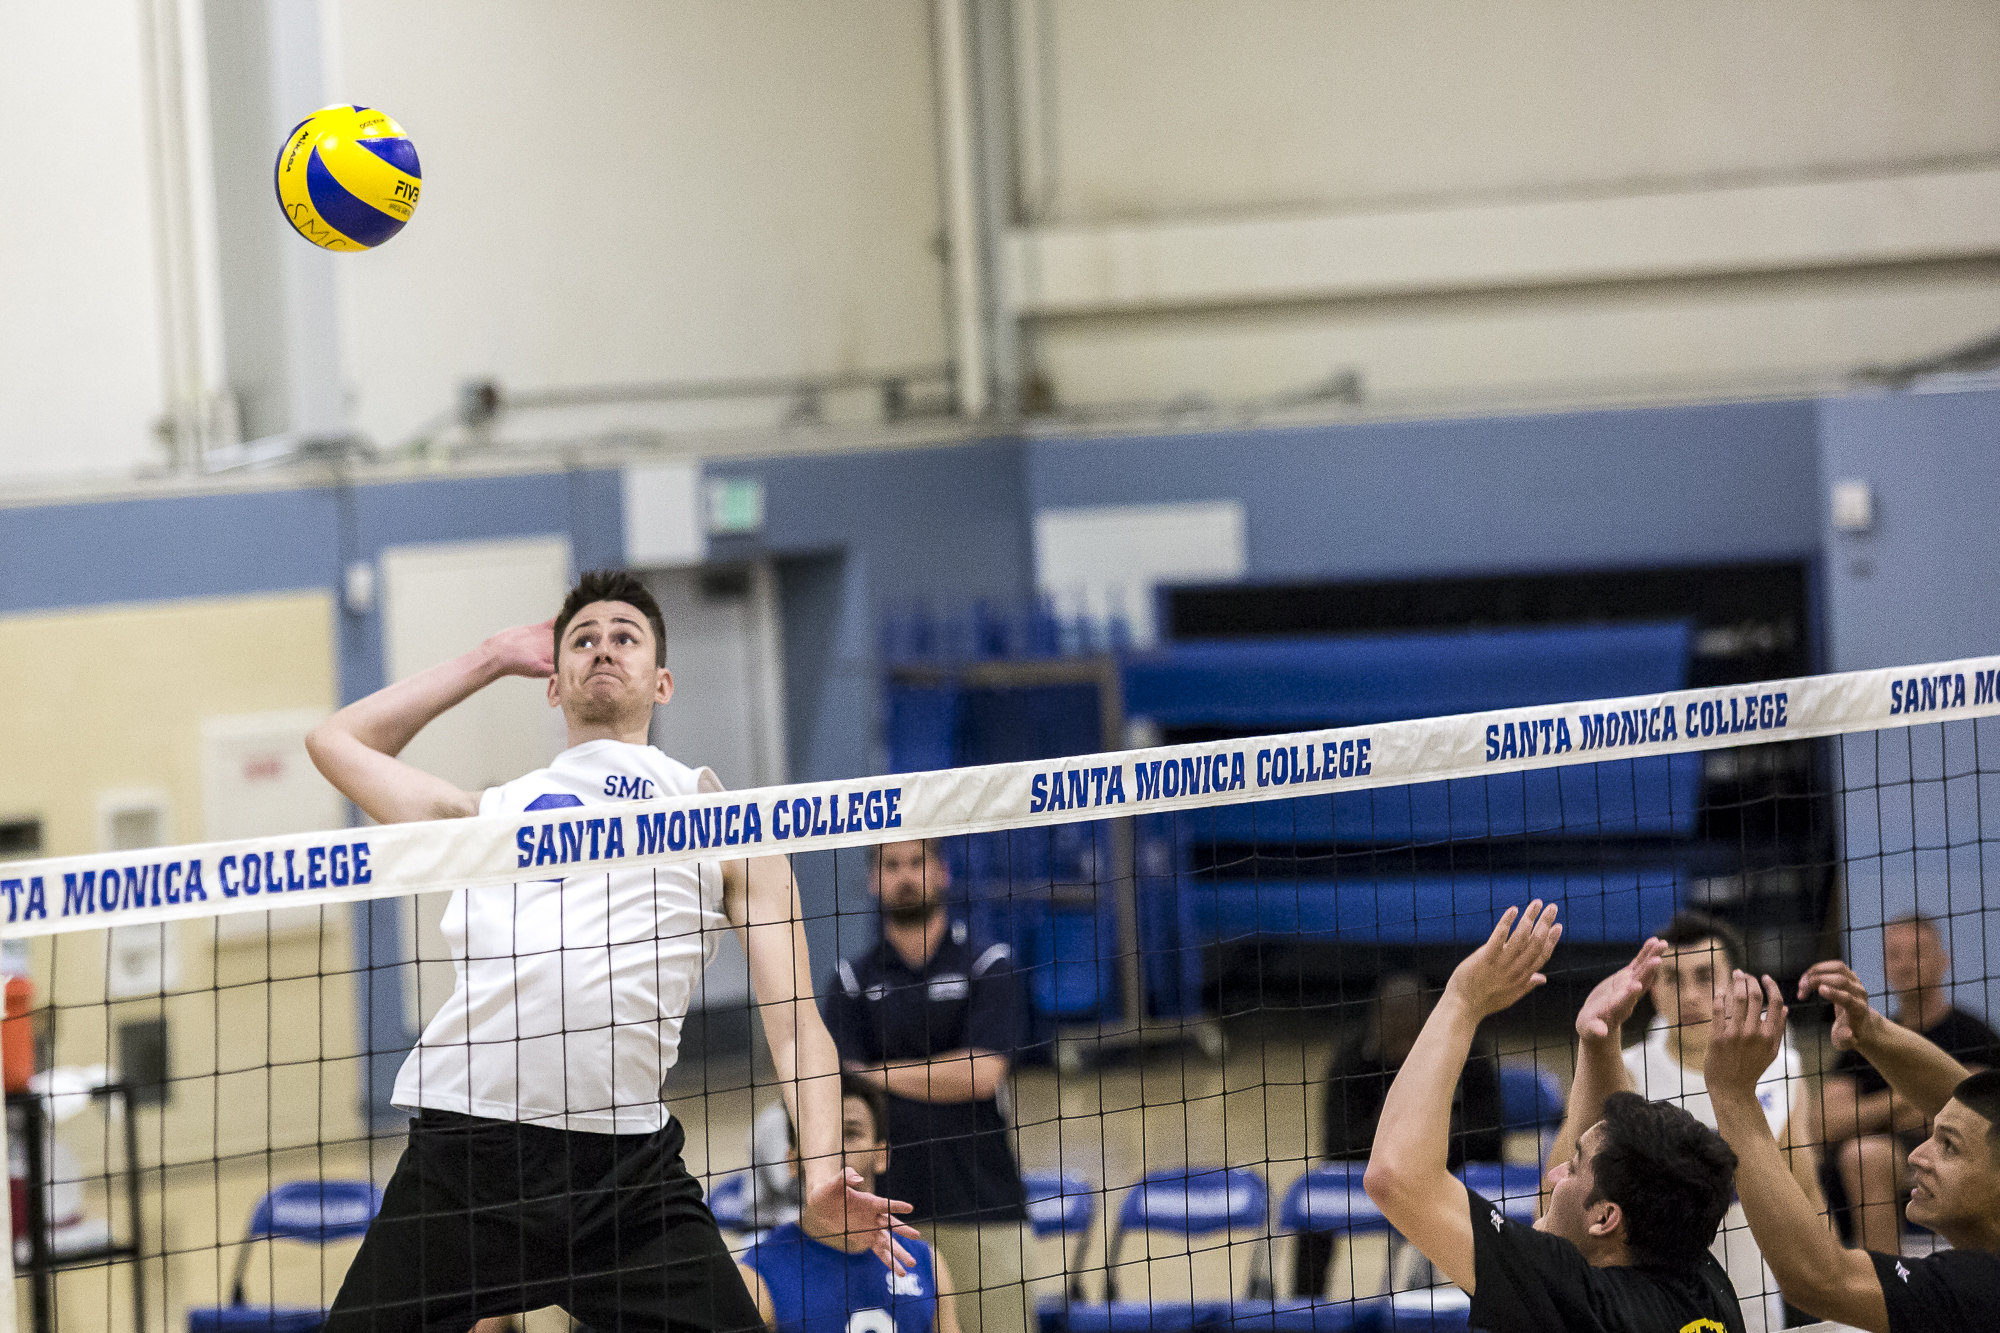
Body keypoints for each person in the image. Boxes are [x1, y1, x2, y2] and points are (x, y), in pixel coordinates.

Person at [306, 569, 914, 1333]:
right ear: (554, 684)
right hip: (468, 1160)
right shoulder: (489, 813)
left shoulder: (724, 823)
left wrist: (824, 1171)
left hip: (625, 1179)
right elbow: (335, 741)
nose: (601, 648)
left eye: (624, 636)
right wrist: (490, 657)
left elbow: (798, 1026)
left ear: (662, 682)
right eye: (581, 640)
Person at [1366, 905, 1746, 1333]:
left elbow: (1394, 1175)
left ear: (1606, 1218)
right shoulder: (1707, 1281)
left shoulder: (1575, 1296)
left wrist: (1462, 1001)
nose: (1554, 1174)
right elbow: (1623, 1162)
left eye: (1575, 1164)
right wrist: (1598, 1041)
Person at [1704, 959, 2000, 1331]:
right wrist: (1871, 1030)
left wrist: (1732, 1095)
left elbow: (1819, 1279)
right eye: (1933, 1137)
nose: (1917, 1155)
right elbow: (1971, 1111)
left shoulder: (1973, 1287)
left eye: (1948, 1146)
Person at [822, 839, 1028, 1333]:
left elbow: (981, 1075)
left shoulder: (989, 964)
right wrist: (936, 1072)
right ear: (873, 879)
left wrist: (877, 1074)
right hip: (886, 1219)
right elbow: (844, 1092)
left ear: (942, 872)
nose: (905, 876)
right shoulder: (850, 981)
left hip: (983, 1204)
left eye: (917, 862)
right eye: (891, 866)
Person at [1621, 912, 1826, 1331]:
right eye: (1673, 979)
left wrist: (1834, 1303)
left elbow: (1807, 1197)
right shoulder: (1624, 1074)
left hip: (1754, 1305)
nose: (1690, 995)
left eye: (1704, 976)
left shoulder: (1781, 1069)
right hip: (1654, 1310)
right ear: (1653, 990)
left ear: (1735, 983)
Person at [1296, 971, 1504, 1295]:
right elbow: (1336, 1148)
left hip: (1454, 1174)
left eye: (1413, 1038)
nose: (1406, 1049)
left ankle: (1497, 1301)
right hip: (1373, 1177)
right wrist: (1386, 1131)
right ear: (1378, 1029)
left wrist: (1441, 1135)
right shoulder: (1351, 1060)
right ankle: (1306, 1306)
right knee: (1311, 1209)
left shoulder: (1466, 1050)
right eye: (1396, 1040)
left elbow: (1492, 1137)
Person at [1820, 913, 2000, 1252]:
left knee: (1866, 1149)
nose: (1905, 964)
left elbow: (1978, 1119)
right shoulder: (1862, 1037)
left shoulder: (1976, 1036)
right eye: (1894, 955)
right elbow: (1824, 1123)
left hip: (1956, 1157)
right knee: (1863, 1154)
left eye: (1916, 953)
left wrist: (1870, 1113)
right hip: (1891, 1157)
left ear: (1943, 960)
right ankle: (1887, 1287)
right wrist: (1908, 1101)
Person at [741, 1075, 963, 1333]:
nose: (836, 1148)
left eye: (851, 1133)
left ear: (881, 1156)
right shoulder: (756, 1277)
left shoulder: (926, 1262)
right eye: (819, 1135)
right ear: (792, 1161)